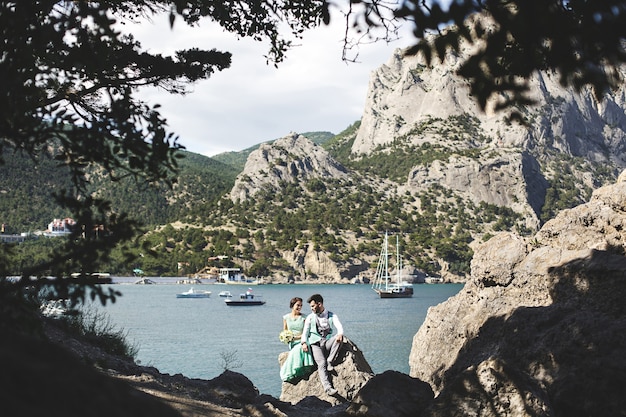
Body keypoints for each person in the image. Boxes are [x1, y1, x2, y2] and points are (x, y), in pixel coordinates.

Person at [300, 293, 344, 396]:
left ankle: (330, 360)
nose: (311, 308)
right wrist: (304, 343)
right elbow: (305, 333)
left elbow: (339, 327)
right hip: (316, 344)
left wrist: (340, 334)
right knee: (321, 363)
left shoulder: (332, 315)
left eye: (312, 306)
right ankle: (328, 388)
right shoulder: (310, 318)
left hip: (327, 342)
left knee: (341, 338)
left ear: (319, 304)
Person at [279, 297, 315, 382]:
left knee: (299, 348)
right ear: (292, 305)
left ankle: (299, 370)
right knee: (296, 349)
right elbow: (285, 331)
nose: (299, 307)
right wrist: (286, 338)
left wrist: (296, 338)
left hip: (303, 340)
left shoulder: (304, 318)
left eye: (301, 306)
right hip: (292, 342)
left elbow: (307, 333)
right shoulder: (286, 317)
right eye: (298, 305)